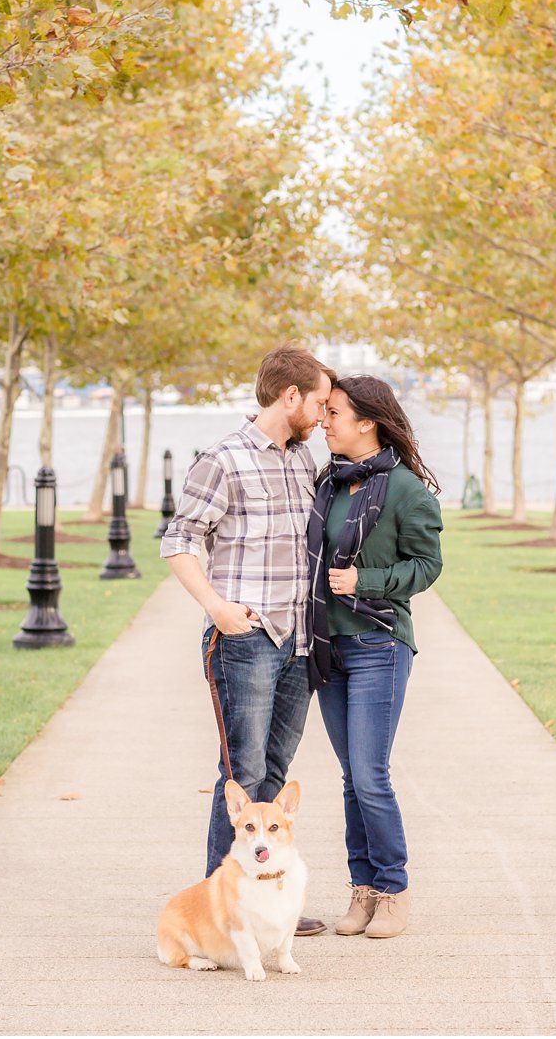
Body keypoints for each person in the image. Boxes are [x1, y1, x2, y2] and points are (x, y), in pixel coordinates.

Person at [160, 344, 335, 937]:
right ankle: (224, 910)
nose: (323, 411)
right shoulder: (224, 460)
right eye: (317, 401)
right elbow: (178, 541)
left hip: (300, 643)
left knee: (277, 778)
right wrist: (217, 608)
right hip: (248, 640)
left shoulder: (305, 460)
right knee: (241, 774)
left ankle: (269, 905)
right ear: (291, 397)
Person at [309, 375, 443, 939]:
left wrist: (367, 580)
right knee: (350, 778)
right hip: (328, 648)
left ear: (366, 421)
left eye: (333, 412)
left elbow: (426, 565)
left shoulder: (407, 490)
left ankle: (393, 890)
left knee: (370, 774)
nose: (324, 420)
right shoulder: (329, 481)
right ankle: (361, 890)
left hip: (377, 646)